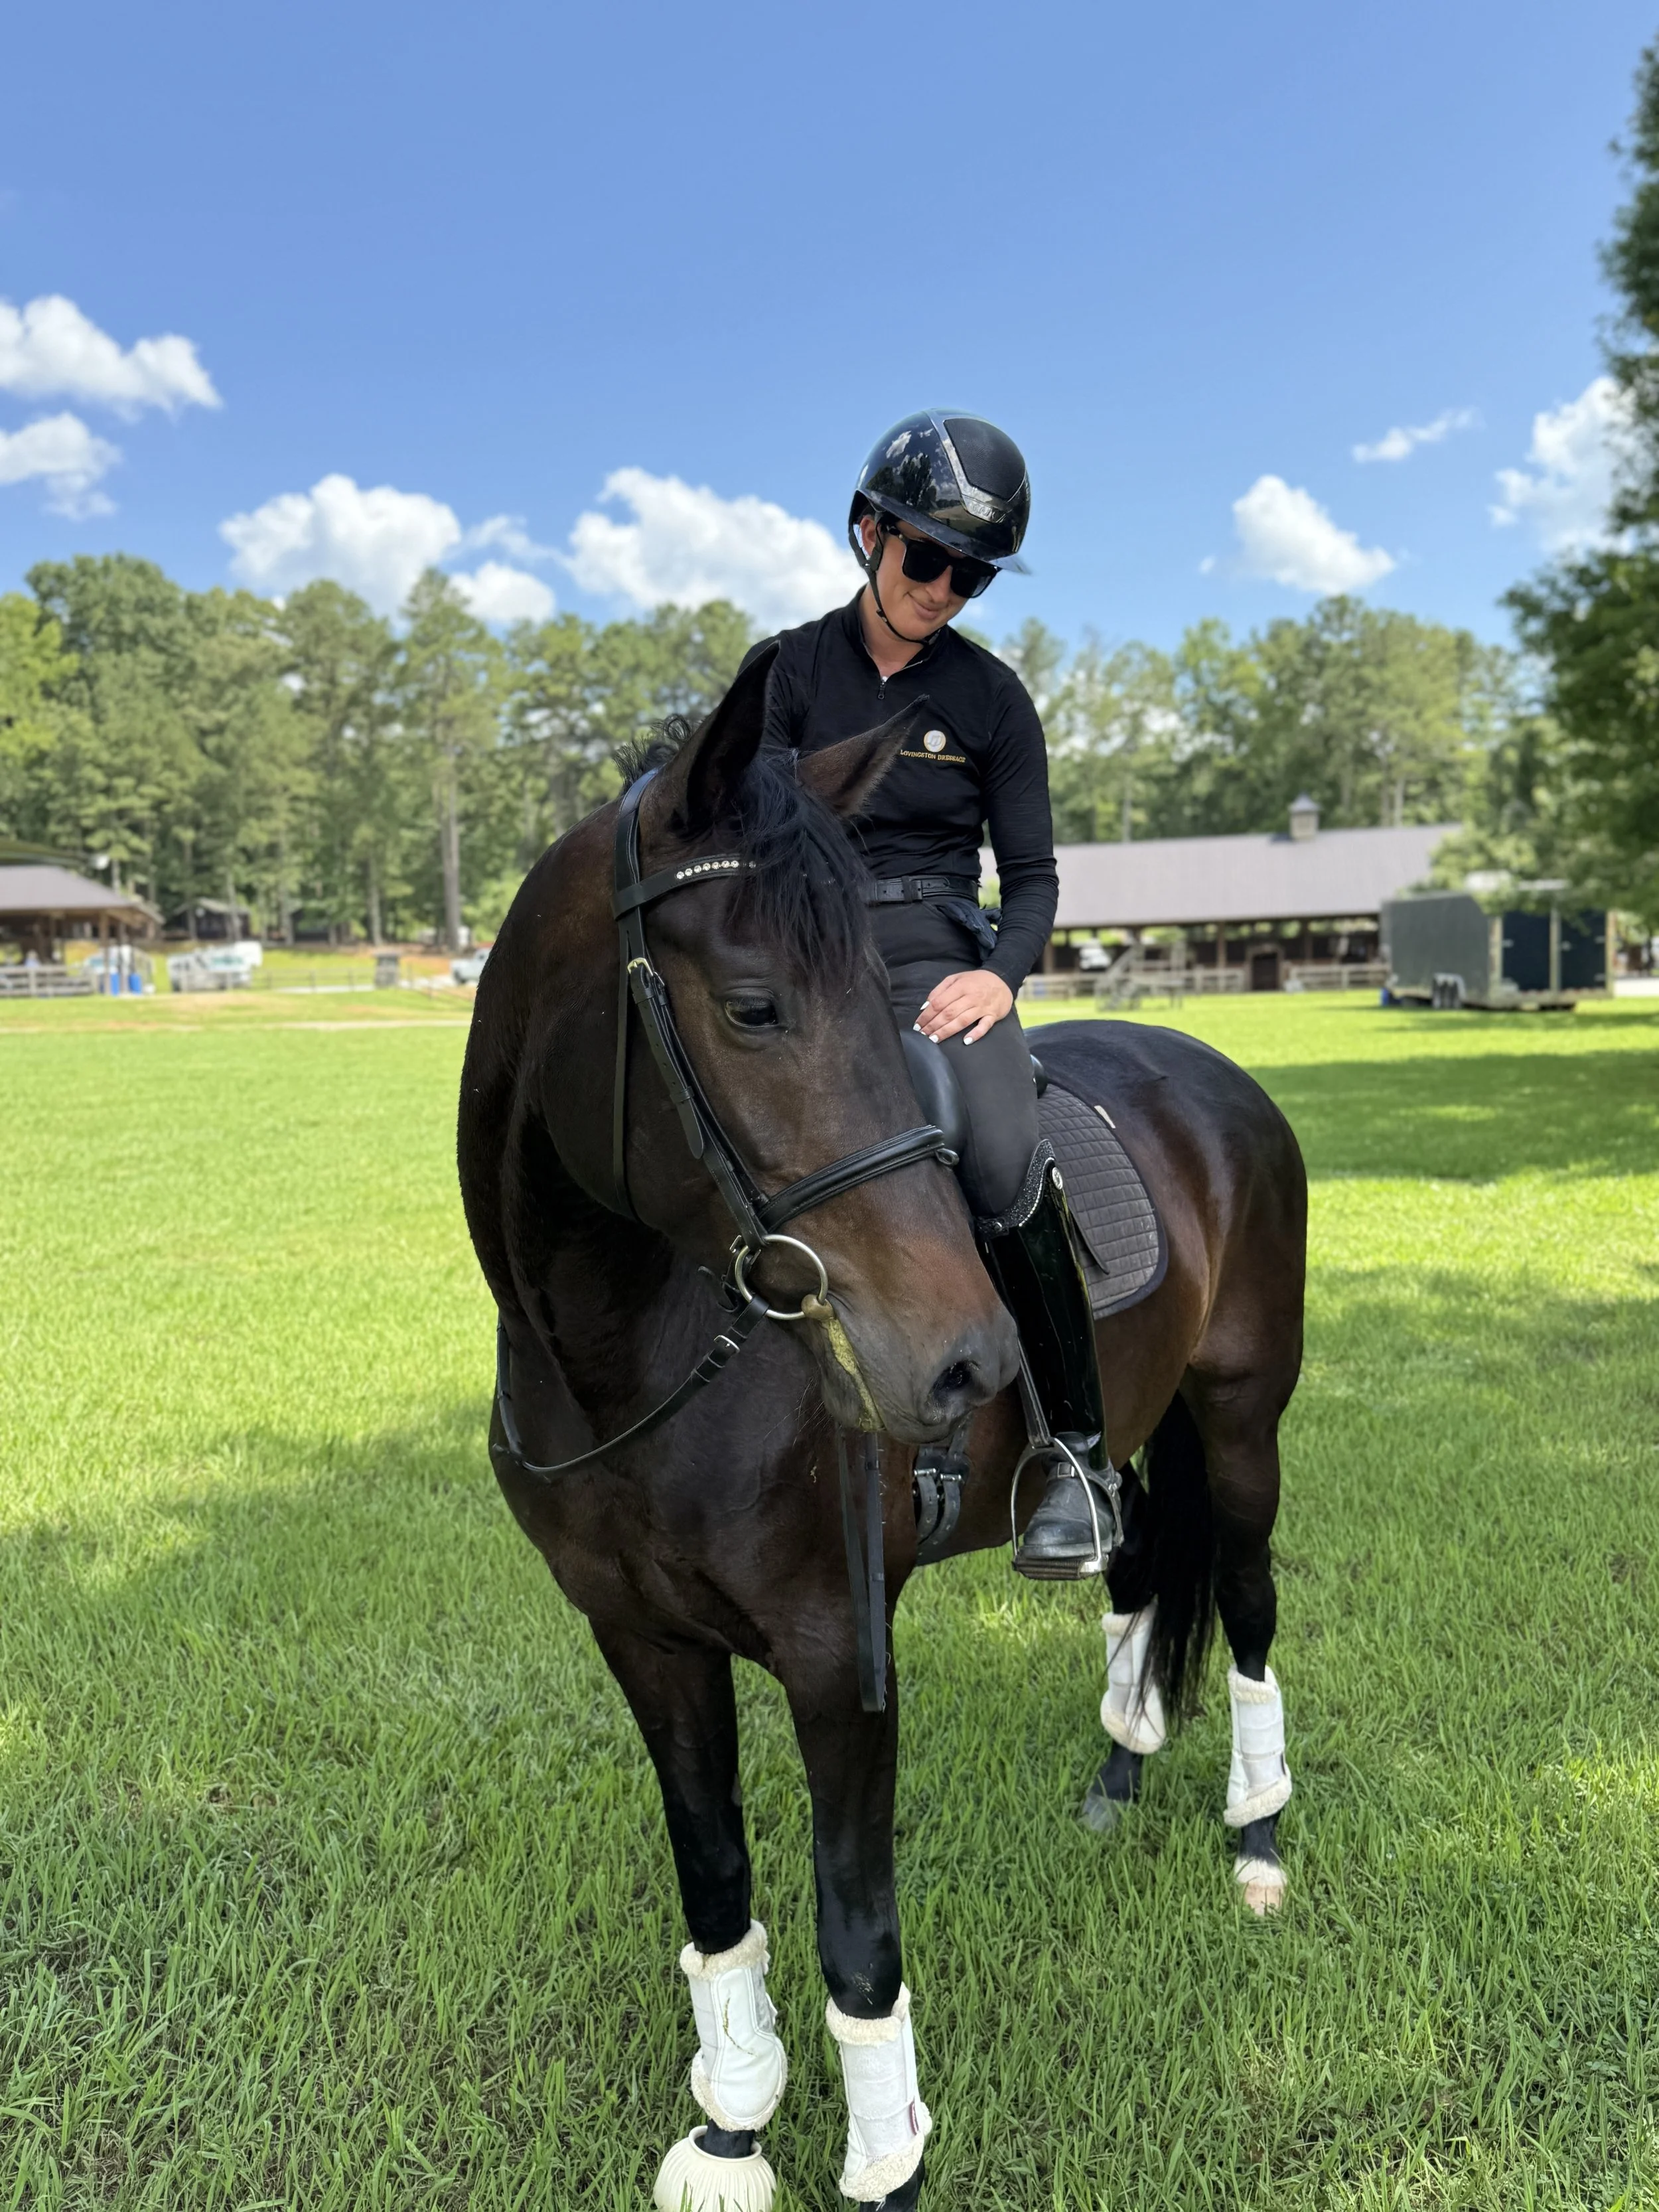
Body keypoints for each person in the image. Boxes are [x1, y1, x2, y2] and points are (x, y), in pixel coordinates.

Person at [741, 409, 1110, 1579]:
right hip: (809, 951)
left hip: (941, 953)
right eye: (929, 559)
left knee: (1002, 1156)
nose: (947, 589)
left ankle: (1080, 1457)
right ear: (869, 534)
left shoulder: (994, 701)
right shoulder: (791, 670)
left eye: (975, 574)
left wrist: (997, 980)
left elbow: (1036, 878)